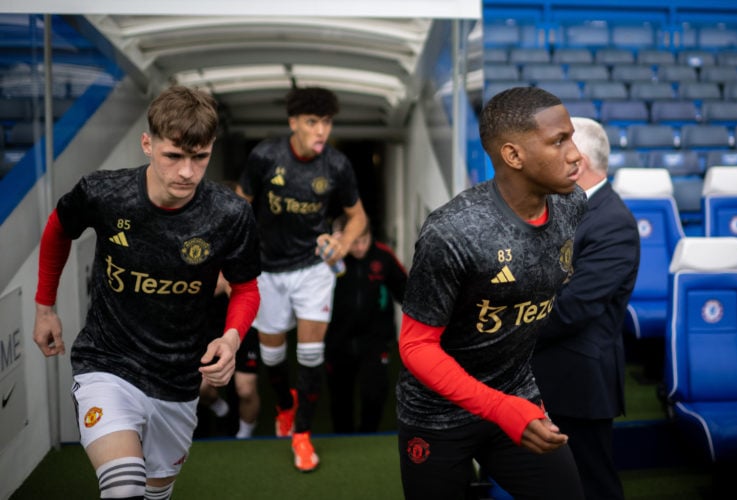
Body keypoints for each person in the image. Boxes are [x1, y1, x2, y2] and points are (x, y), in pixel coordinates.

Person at [32, 85, 262, 500]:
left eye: (200, 157)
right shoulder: (105, 193)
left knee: (155, 493)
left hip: (177, 380)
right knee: (123, 490)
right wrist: (44, 306)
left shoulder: (230, 214)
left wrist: (231, 338)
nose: (187, 172)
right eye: (174, 156)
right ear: (147, 144)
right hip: (108, 363)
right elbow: (58, 228)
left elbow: (246, 288)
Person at [396, 86, 587, 500]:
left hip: (517, 395)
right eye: (559, 141)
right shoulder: (452, 232)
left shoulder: (573, 204)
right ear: (513, 156)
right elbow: (415, 346)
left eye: (571, 137)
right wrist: (500, 408)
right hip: (437, 414)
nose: (576, 155)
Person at [239, 86, 367, 472]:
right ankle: (283, 405)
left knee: (311, 354)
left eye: (326, 122)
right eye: (312, 122)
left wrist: (343, 243)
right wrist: (236, 259)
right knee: (271, 355)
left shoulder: (337, 166)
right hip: (268, 270)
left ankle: (302, 436)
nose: (321, 130)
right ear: (293, 122)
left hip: (313, 269)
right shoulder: (265, 156)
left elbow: (357, 216)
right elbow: (240, 207)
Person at [532, 116, 640, 500]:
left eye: (558, 149)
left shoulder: (613, 223)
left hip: (578, 382)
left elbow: (573, 307)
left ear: (578, 163)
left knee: (591, 486)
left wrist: (509, 330)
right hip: (551, 373)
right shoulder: (567, 210)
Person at [325, 217, 408, 434]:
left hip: (375, 338)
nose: (360, 247)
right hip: (337, 339)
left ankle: (368, 433)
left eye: (364, 240)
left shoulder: (383, 256)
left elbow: (406, 291)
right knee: (340, 394)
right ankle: (343, 435)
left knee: (375, 391)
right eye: (354, 242)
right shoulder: (328, 260)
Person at [199, 270, 262, 439]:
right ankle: (221, 409)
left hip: (241, 325)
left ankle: (244, 436)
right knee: (201, 388)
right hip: (206, 327)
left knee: (246, 389)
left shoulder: (235, 248)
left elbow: (237, 286)